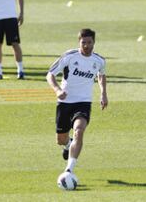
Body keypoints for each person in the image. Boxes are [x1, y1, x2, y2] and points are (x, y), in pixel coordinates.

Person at [46, 28, 108, 177]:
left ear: (94, 42)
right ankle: (68, 144)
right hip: (65, 102)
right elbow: (50, 74)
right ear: (79, 42)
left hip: (83, 102)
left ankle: (69, 170)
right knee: (61, 139)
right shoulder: (69, 57)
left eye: (89, 42)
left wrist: (103, 93)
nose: (86, 46)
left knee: (79, 130)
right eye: (83, 43)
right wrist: (57, 90)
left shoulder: (99, 60)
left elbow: (101, 75)